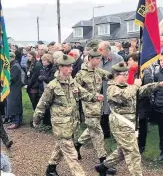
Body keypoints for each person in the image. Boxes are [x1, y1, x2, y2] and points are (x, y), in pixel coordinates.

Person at [33, 54, 104, 176]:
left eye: (71, 66)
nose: (71, 69)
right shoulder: (53, 86)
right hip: (60, 125)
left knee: (60, 146)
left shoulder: (72, 83)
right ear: (60, 67)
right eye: (68, 67)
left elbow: (83, 94)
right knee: (72, 155)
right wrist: (36, 120)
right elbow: (42, 104)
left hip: (72, 124)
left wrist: (95, 97)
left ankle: (51, 168)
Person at [95, 62, 163, 176]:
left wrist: (158, 85)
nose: (127, 76)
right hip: (120, 125)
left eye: (127, 74)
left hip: (130, 125)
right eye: (124, 74)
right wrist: (136, 86)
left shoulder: (127, 87)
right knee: (133, 154)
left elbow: (140, 91)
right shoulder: (112, 88)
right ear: (116, 75)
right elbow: (123, 97)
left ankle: (103, 167)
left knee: (122, 151)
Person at [74, 47, 116, 175]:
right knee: (98, 133)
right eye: (97, 59)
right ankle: (103, 163)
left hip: (98, 107)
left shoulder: (98, 71)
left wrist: (122, 73)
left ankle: (77, 144)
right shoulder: (81, 74)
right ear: (90, 59)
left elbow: (109, 75)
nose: (99, 61)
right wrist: (86, 96)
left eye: (100, 58)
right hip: (88, 108)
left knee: (91, 129)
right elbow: (75, 90)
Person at [98, 41, 123, 139]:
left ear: (107, 50)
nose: (99, 52)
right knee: (102, 110)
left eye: (101, 50)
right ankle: (105, 132)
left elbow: (122, 73)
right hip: (100, 88)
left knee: (112, 110)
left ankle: (115, 133)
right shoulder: (98, 59)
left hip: (112, 88)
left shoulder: (118, 58)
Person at [38, 54, 57, 127]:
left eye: (45, 60)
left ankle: (49, 123)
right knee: (43, 106)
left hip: (49, 89)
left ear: (48, 60)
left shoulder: (52, 68)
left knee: (49, 106)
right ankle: (45, 122)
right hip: (42, 88)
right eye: (42, 60)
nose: (43, 62)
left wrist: (43, 78)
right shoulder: (43, 68)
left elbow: (52, 79)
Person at [6, 52, 23, 129]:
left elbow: (12, 78)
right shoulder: (13, 65)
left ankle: (17, 122)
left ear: (11, 57)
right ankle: (15, 120)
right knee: (12, 104)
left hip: (14, 88)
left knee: (15, 104)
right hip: (13, 88)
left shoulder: (15, 66)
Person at [152, 52, 163, 161]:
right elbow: (153, 88)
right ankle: (162, 151)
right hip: (160, 106)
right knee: (161, 131)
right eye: (161, 61)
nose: (162, 63)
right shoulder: (156, 72)